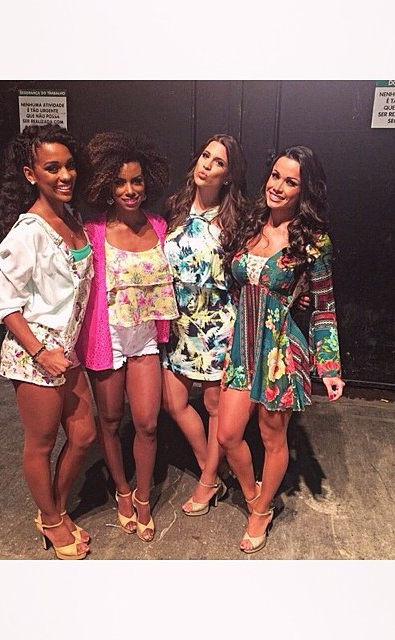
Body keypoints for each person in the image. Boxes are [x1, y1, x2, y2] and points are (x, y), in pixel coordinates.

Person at [217, 144, 345, 554]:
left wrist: (329, 368)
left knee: (273, 438)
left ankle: (261, 511)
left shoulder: (313, 242)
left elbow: (324, 307)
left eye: (291, 182)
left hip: (279, 350)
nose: (278, 186)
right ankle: (254, 495)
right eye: (275, 176)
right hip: (242, 346)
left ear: (303, 191)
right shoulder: (249, 224)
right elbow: (236, 285)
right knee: (228, 435)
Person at [0, 124, 96, 560]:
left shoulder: (70, 219)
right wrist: (40, 352)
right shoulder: (27, 232)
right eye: (52, 168)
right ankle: (52, 520)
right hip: (35, 352)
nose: (64, 175)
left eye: (69, 166)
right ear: (30, 174)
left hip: (65, 350)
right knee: (41, 444)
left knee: (84, 435)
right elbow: (4, 305)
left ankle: (54, 507)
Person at [76, 131, 177, 542]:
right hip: (109, 337)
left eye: (136, 181)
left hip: (145, 337)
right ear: (106, 184)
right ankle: (121, 489)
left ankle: (143, 497)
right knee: (111, 421)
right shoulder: (93, 231)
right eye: (120, 182)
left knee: (148, 423)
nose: (130, 190)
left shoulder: (159, 226)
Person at [160, 134, 250, 516]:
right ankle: (208, 465)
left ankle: (209, 480)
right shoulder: (176, 207)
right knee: (173, 402)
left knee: (214, 406)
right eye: (205, 156)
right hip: (180, 321)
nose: (207, 165)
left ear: (227, 176)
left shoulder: (235, 220)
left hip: (217, 323)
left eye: (218, 163)